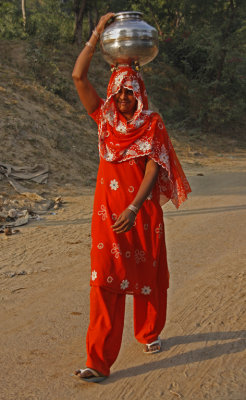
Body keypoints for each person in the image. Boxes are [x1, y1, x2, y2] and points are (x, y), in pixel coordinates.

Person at [72, 13, 191, 383]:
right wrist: (95, 35)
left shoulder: (152, 124)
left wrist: (136, 206)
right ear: (112, 92)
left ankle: (149, 332)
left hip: (140, 210)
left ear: (139, 92)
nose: (123, 97)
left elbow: (155, 168)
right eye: (119, 91)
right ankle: (98, 360)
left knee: (148, 275)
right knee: (105, 279)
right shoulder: (104, 120)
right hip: (107, 215)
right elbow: (78, 77)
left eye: (130, 91)